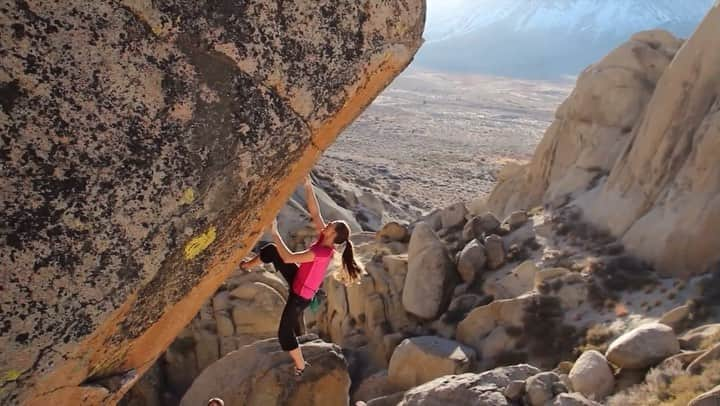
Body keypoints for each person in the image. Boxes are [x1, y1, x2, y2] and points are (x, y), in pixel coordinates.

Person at [240, 174, 363, 376]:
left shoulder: (322, 253)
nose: (328, 223)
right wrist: (307, 186)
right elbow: (315, 213)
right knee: (271, 250)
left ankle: (301, 366)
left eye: (331, 225)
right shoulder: (325, 238)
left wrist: (275, 232)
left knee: (284, 334)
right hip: (298, 280)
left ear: (333, 235)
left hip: (301, 297)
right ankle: (246, 266)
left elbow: (288, 258)